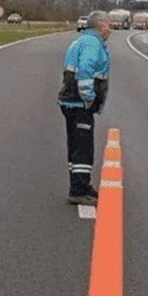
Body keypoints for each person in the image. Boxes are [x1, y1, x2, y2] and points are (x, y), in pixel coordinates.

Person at [58, 10, 112, 206]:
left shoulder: (81, 40)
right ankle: (79, 190)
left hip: (70, 102)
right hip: (79, 103)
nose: (111, 29)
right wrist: (88, 97)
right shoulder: (91, 43)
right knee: (83, 147)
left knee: (75, 146)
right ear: (102, 25)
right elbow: (86, 68)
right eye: (109, 25)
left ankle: (81, 184)